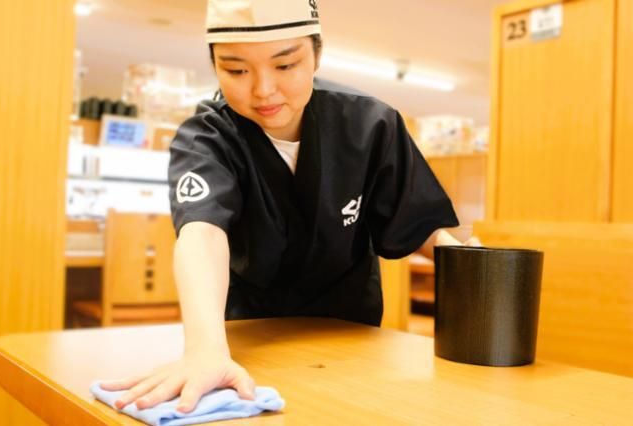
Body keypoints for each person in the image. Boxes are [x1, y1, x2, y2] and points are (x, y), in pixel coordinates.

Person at [100, 0, 477, 413]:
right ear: (215, 65)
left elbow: (418, 222)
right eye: (236, 70)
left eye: (285, 65)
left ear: (317, 54)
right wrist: (205, 350)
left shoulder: (370, 124)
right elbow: (202, 233)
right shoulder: (208, 138)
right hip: (248, 337)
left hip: (349, 332)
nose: (263, 89)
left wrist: (474, 265)